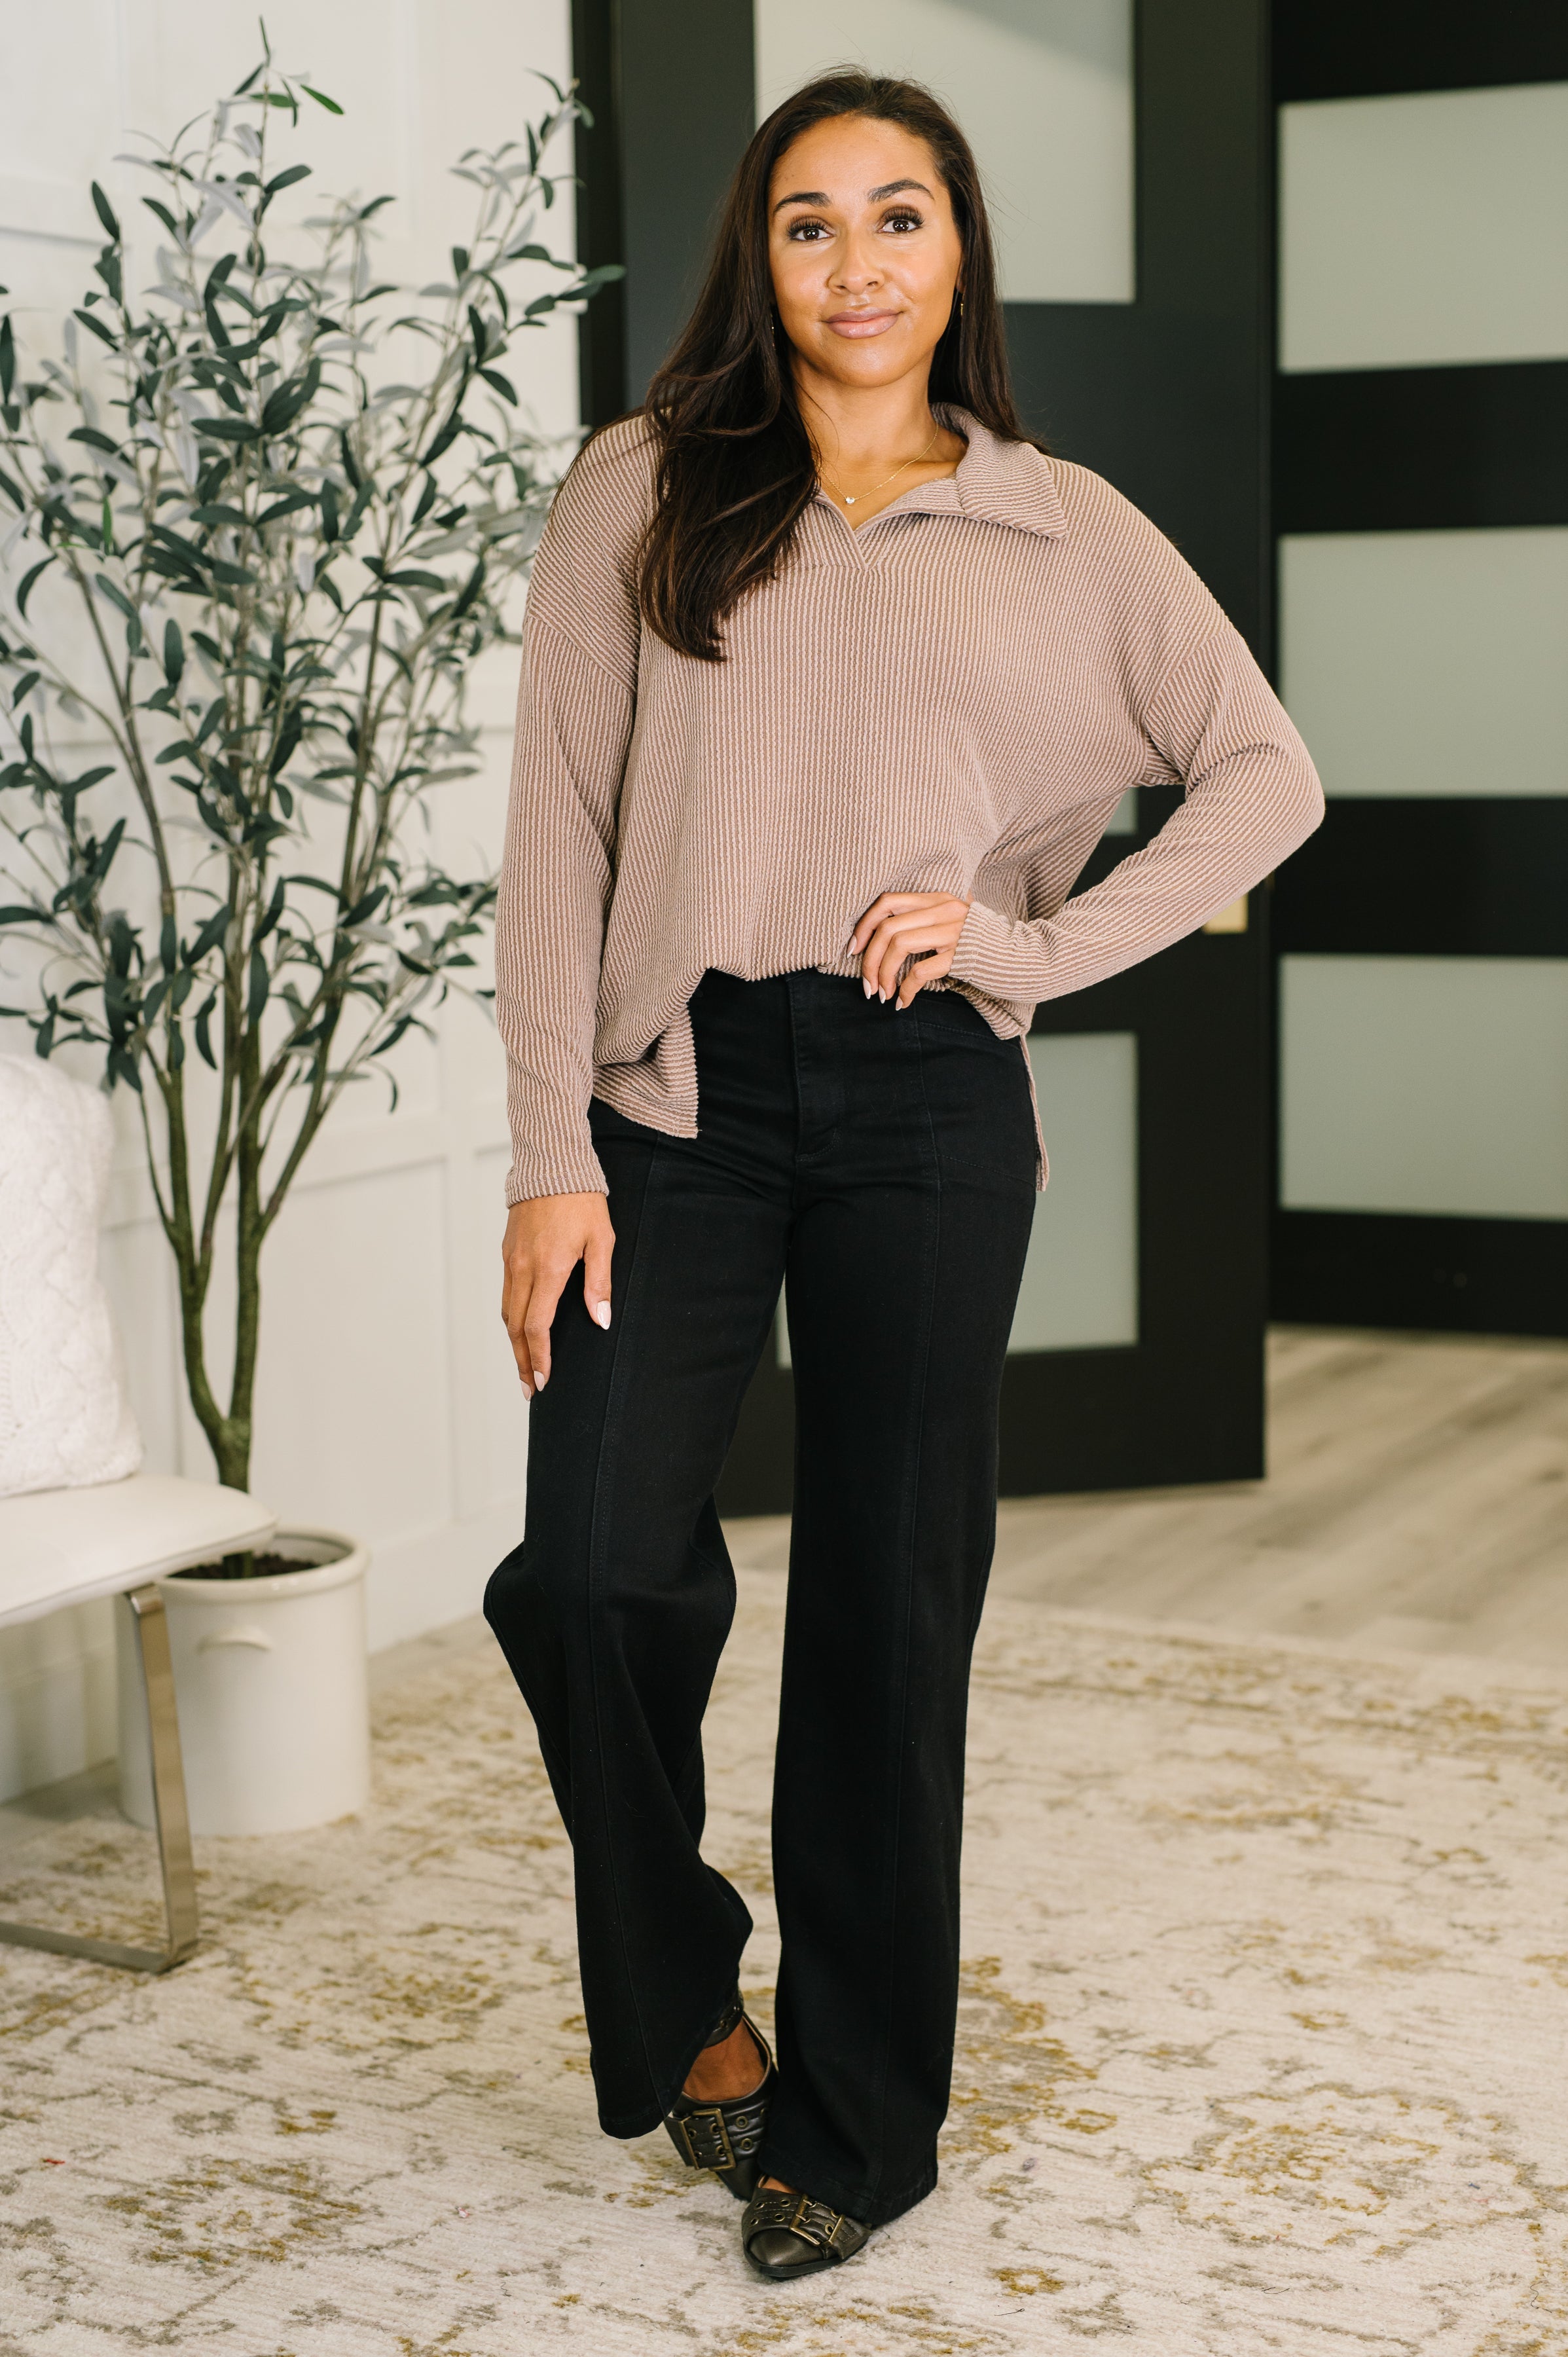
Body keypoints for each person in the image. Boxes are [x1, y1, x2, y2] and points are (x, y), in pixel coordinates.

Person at [484, 69, 1322, 2282]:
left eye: (898, 216)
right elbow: (556, 832)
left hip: (926, 1101)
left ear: (959, 252)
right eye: (808, 222)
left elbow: (1264, 774)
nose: (855, 263)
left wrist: (1026, 953)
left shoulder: (1066, 527)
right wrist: (547, 1150)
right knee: (587, 1575)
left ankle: (854, 2128)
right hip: (673, 1090)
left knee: (883, 1609)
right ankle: (687, 1998)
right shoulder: (643, 486)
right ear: (757, 260)